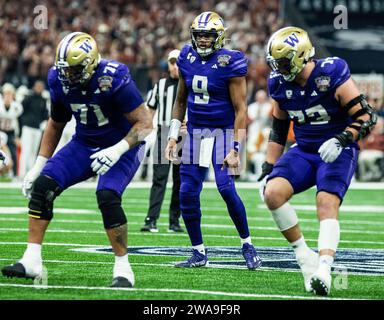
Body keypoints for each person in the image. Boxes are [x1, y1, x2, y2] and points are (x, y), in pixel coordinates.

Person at [1, 32, 153, 288]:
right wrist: (38, 165)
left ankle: (123, 268)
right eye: (65, 69)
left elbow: (146, 125)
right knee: (43, 187)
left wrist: (116, 150)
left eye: (75, 69)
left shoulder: (114, 76)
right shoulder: (57, 79)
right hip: (84, 143)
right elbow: (56, 123)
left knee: (107, 195)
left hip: (124, 145)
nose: (68, 74)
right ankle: (32, 260)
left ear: (92, 62)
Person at [258, 26, 377, 295]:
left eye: (284, 62)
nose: (278, 68)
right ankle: (304, 257)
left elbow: (367, 117)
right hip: (304, 149)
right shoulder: (279, 83)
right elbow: (278, 128)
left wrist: (342, 139)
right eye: (275, 63)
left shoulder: (331, 73)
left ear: (301, 56)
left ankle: (324, 267)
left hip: (338, 149)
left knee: (325, 202)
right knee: (272, 194)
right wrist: (268, 167)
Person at [165, 12, 262, 270]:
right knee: (186, 192)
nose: (203, 40)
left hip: (223, 132)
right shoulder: (185, 56)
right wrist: (173, 135)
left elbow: (241, 108)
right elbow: (181, 100)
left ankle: (248, 244)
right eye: (199, 35)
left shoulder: (231, 61)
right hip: (195, 132)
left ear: (218, 37)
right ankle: (198, 252)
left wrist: (236, 147)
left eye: (208, 35)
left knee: (226, 188)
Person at [141, 49, 185, 233]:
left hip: (184, 136)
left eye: (177, 62)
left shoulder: (189, 84)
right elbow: (149, 111)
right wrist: (143, 131)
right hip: (163, 133)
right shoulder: (160, 86)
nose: (175, 66)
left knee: (180, 180)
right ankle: (151, 219)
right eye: (172, 62)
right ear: (168, 64)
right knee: (159, 178)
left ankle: (174, 221)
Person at [18, 80, 49, 178]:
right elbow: (21, 111)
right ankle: (22, 173)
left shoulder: (43, 100)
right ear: (34, 87)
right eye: (38, 86)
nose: (39, 88)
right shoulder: (28, 97)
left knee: (34, 151)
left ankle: (30, 173)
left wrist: (43, 123)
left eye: (41, 86)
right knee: (26, 150)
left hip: (37, 129)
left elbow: (45, 114)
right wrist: (23, 123)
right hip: (27, 127)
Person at [0, 83, 23, 177]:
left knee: (13, 154)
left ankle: (15, 175)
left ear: (13, 95)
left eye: (10, 94)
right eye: (6, 94)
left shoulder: (17, 107)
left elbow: (20, 122)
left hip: (10, 133)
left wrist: (18, 136)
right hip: (0, 132)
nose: (8, 96)